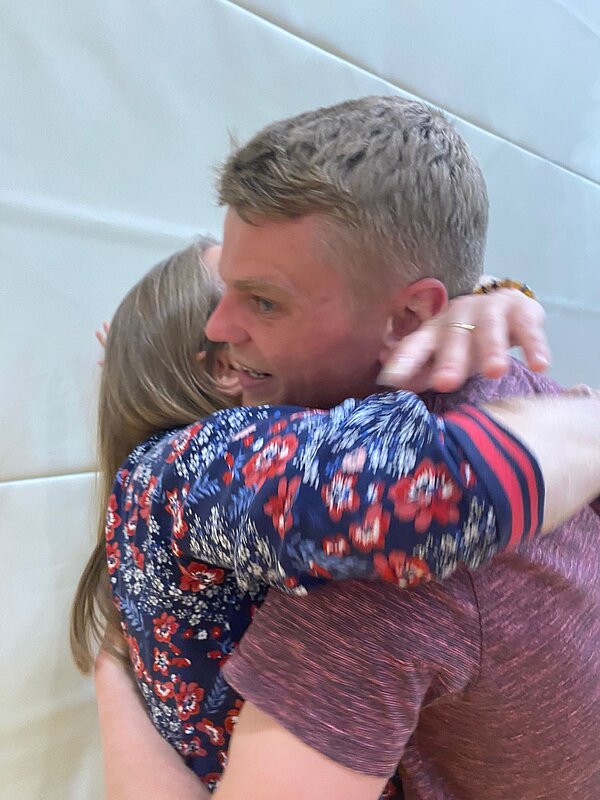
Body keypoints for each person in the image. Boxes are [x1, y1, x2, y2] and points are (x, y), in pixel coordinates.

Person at [87, 96, 600, 800]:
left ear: (412, 312)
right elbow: (426, 488)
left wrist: (489, 296)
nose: (222, 327)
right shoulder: (229, 480)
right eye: (225, 296)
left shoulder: (341, 533)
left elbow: (419, 482)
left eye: (262, 300)